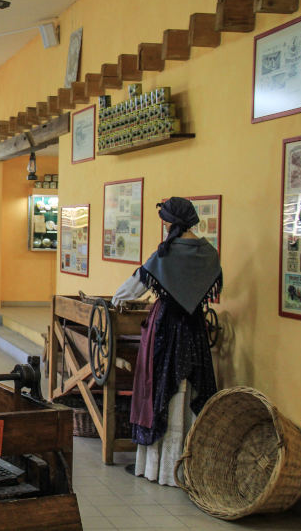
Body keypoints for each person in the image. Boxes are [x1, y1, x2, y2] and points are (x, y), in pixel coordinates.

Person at [112, 197, 221, 486]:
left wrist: (116, 299)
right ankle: (186, 468)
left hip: (166, 329)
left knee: (160, 389)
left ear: (173, 223)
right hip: (194, 329)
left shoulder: (166, 254)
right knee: (187, 389)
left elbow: (133, 288)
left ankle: (158, 467)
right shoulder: (209, 253)